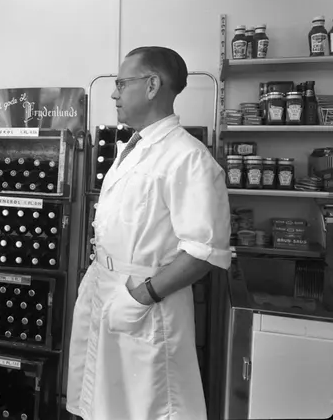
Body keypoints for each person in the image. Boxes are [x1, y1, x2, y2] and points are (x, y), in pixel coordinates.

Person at [67, 47, 231, 420]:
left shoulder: (188, 158)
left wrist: (142, 297)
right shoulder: (133, 148)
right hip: (106, 288)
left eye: (122, 83)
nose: (114, 94)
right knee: (104, 403)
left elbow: (204, 251)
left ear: (153, 85)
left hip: (146, 303)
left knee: (147, 406)